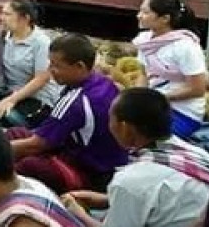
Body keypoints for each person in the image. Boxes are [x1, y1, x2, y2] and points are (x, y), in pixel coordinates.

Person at [61, 88, 209, 227]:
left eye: (110, 118)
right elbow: (165, 199)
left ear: (125, 128)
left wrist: (77, 213)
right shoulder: (195, 154)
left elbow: (144, 189)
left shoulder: (131, 180)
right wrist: (107, 199)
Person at [8, 34, 128, 195]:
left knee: (27, 166)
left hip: (91, 172)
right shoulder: (104, 83)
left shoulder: (77, 100)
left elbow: (38, 144)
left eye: (56, 66)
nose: (51, 71)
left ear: (79, 66)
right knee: (15, 134)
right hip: (103, 159)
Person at [132, 0, 207, 139]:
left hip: (182, 112)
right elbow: (143, 74)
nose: (139, 16)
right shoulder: (145, 41)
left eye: (146, 12)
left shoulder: (185, 47)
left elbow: (197, 89)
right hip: (153, 104)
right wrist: (137, 98)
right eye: (140, 11)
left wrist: (158, 98)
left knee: (144, 137)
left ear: (165, 18)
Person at [0, 0, 61, 128]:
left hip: (34, 97)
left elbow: (41, 79)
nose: (2, 18)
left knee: (7, 117)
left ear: (25, 18)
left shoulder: (41, 42)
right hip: (4, 92)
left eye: (7, 14)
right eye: (2, 13)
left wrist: (12, 99)